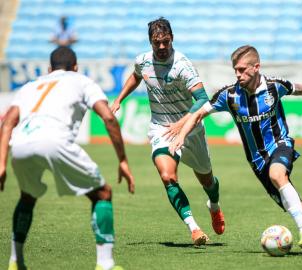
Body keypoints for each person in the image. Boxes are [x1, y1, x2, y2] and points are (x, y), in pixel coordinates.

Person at [169, 45, 302, 254]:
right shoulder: (229, 95)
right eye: (235, 69)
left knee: (277, 174)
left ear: (256, 67)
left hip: (280, 145)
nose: (238, 74)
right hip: (257, 162)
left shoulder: (274, 86)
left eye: (242, 69)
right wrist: (181, 135)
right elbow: (198, 114)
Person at [0, 46, 135, 270]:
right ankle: (105, 264)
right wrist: (122, 160)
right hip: (55, 140)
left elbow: (7, 123)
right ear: (75, 67)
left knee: (27, 197)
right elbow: (108, 118)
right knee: (103, 193)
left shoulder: (30, 86)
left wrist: (2, 163)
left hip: (21, 144)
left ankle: (15, 261)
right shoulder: (81, 81)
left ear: (49, 68)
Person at [110, 17, 224, 246]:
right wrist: (120, 98)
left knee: (207, 180)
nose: (162, 47)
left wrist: (182, 124)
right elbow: (135, 76)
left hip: (190, 128)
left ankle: (214, 206)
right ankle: (194, 228)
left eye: (166, 42)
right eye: (156, 43)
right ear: (150, 42)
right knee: (167, 176)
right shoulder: (142, 61)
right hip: (161, 128)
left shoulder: (182, 64)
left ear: (172, 39)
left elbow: (202, 99)